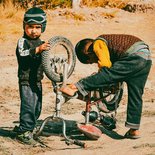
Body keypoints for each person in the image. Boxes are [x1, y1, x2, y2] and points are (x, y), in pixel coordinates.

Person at [60, 34, 152, 139]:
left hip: (134, 56)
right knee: (136, 95)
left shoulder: (98, 43)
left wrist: (100, 78)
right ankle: (134, 130)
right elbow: (118, 71)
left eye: (91, 61)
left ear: (88, 52)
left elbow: (105, 67)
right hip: (146, 59)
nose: (95, 62)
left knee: (106, 74)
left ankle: (74, 87)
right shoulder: (112, 51)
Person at [14, 7, 50, 146]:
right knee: (28, 106)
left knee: (37, 107)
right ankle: (23, 132)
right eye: (30, 27)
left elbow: (46, 61)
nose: (33, 30)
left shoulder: (43, 43)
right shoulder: (22, 41)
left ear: (43, 28)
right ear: (24, 26)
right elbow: (23, 55)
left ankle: (30, 128)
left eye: (37, 27)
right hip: (26, 80)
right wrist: (37, 50)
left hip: (37, 80)